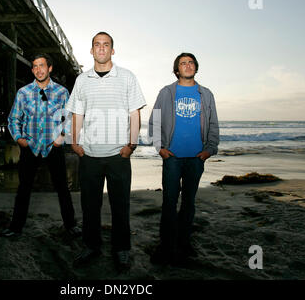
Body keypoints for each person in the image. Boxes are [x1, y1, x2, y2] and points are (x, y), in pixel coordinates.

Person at [66, 32, 146, 270]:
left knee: (120, 205)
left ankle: (122, 249)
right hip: (89, 154)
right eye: (97, 45)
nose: (101, 48)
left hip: (117, 155)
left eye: (106, 45)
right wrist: (74, 142)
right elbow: (77, 113)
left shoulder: (127, 77)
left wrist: (131, 145)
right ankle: (91, 246)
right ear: (91, 51)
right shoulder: (82, 80)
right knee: (90, 206)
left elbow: (134, 113)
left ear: (113, 50)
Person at [148, 52, 219, 266]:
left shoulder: (206, 94)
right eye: (182, 63)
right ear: (177, 69)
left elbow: (213, 125)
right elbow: (154, 123)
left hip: (196, 159)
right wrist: (160, 148)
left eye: (190, 62)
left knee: (189, 202)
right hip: (173, 158)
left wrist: (209, 150)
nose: (187, 66)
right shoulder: (166, 93)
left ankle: (184, 242)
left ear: (195, 67)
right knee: (169, 202)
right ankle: (166, 244)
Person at [0, 53, 80, 238]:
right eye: (35, 66)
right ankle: (15, 227)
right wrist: (19, 139)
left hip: (53, 147)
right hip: (31, 147)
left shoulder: (61, 92)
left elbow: (68, 119)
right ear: (32, 69)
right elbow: (13, 118)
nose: (38, 69)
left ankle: (70, 225)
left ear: (49, 68)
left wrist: (60, 138)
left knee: (62, 188)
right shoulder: (23, 92)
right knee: (23, 189)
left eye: (42, 65)